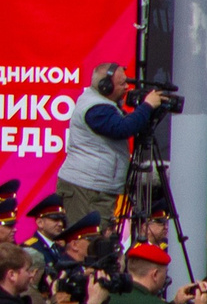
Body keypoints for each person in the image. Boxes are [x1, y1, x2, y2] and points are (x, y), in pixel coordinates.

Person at [58, 64, 173, 225]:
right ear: (105, 86)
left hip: (97, 187)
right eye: (121, 84)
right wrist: (147, 106)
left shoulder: (105, 105)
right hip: (85, 188)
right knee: (86, 239)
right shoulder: (96, 108)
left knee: (99, 239)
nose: (127, 87)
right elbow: (123, 128)